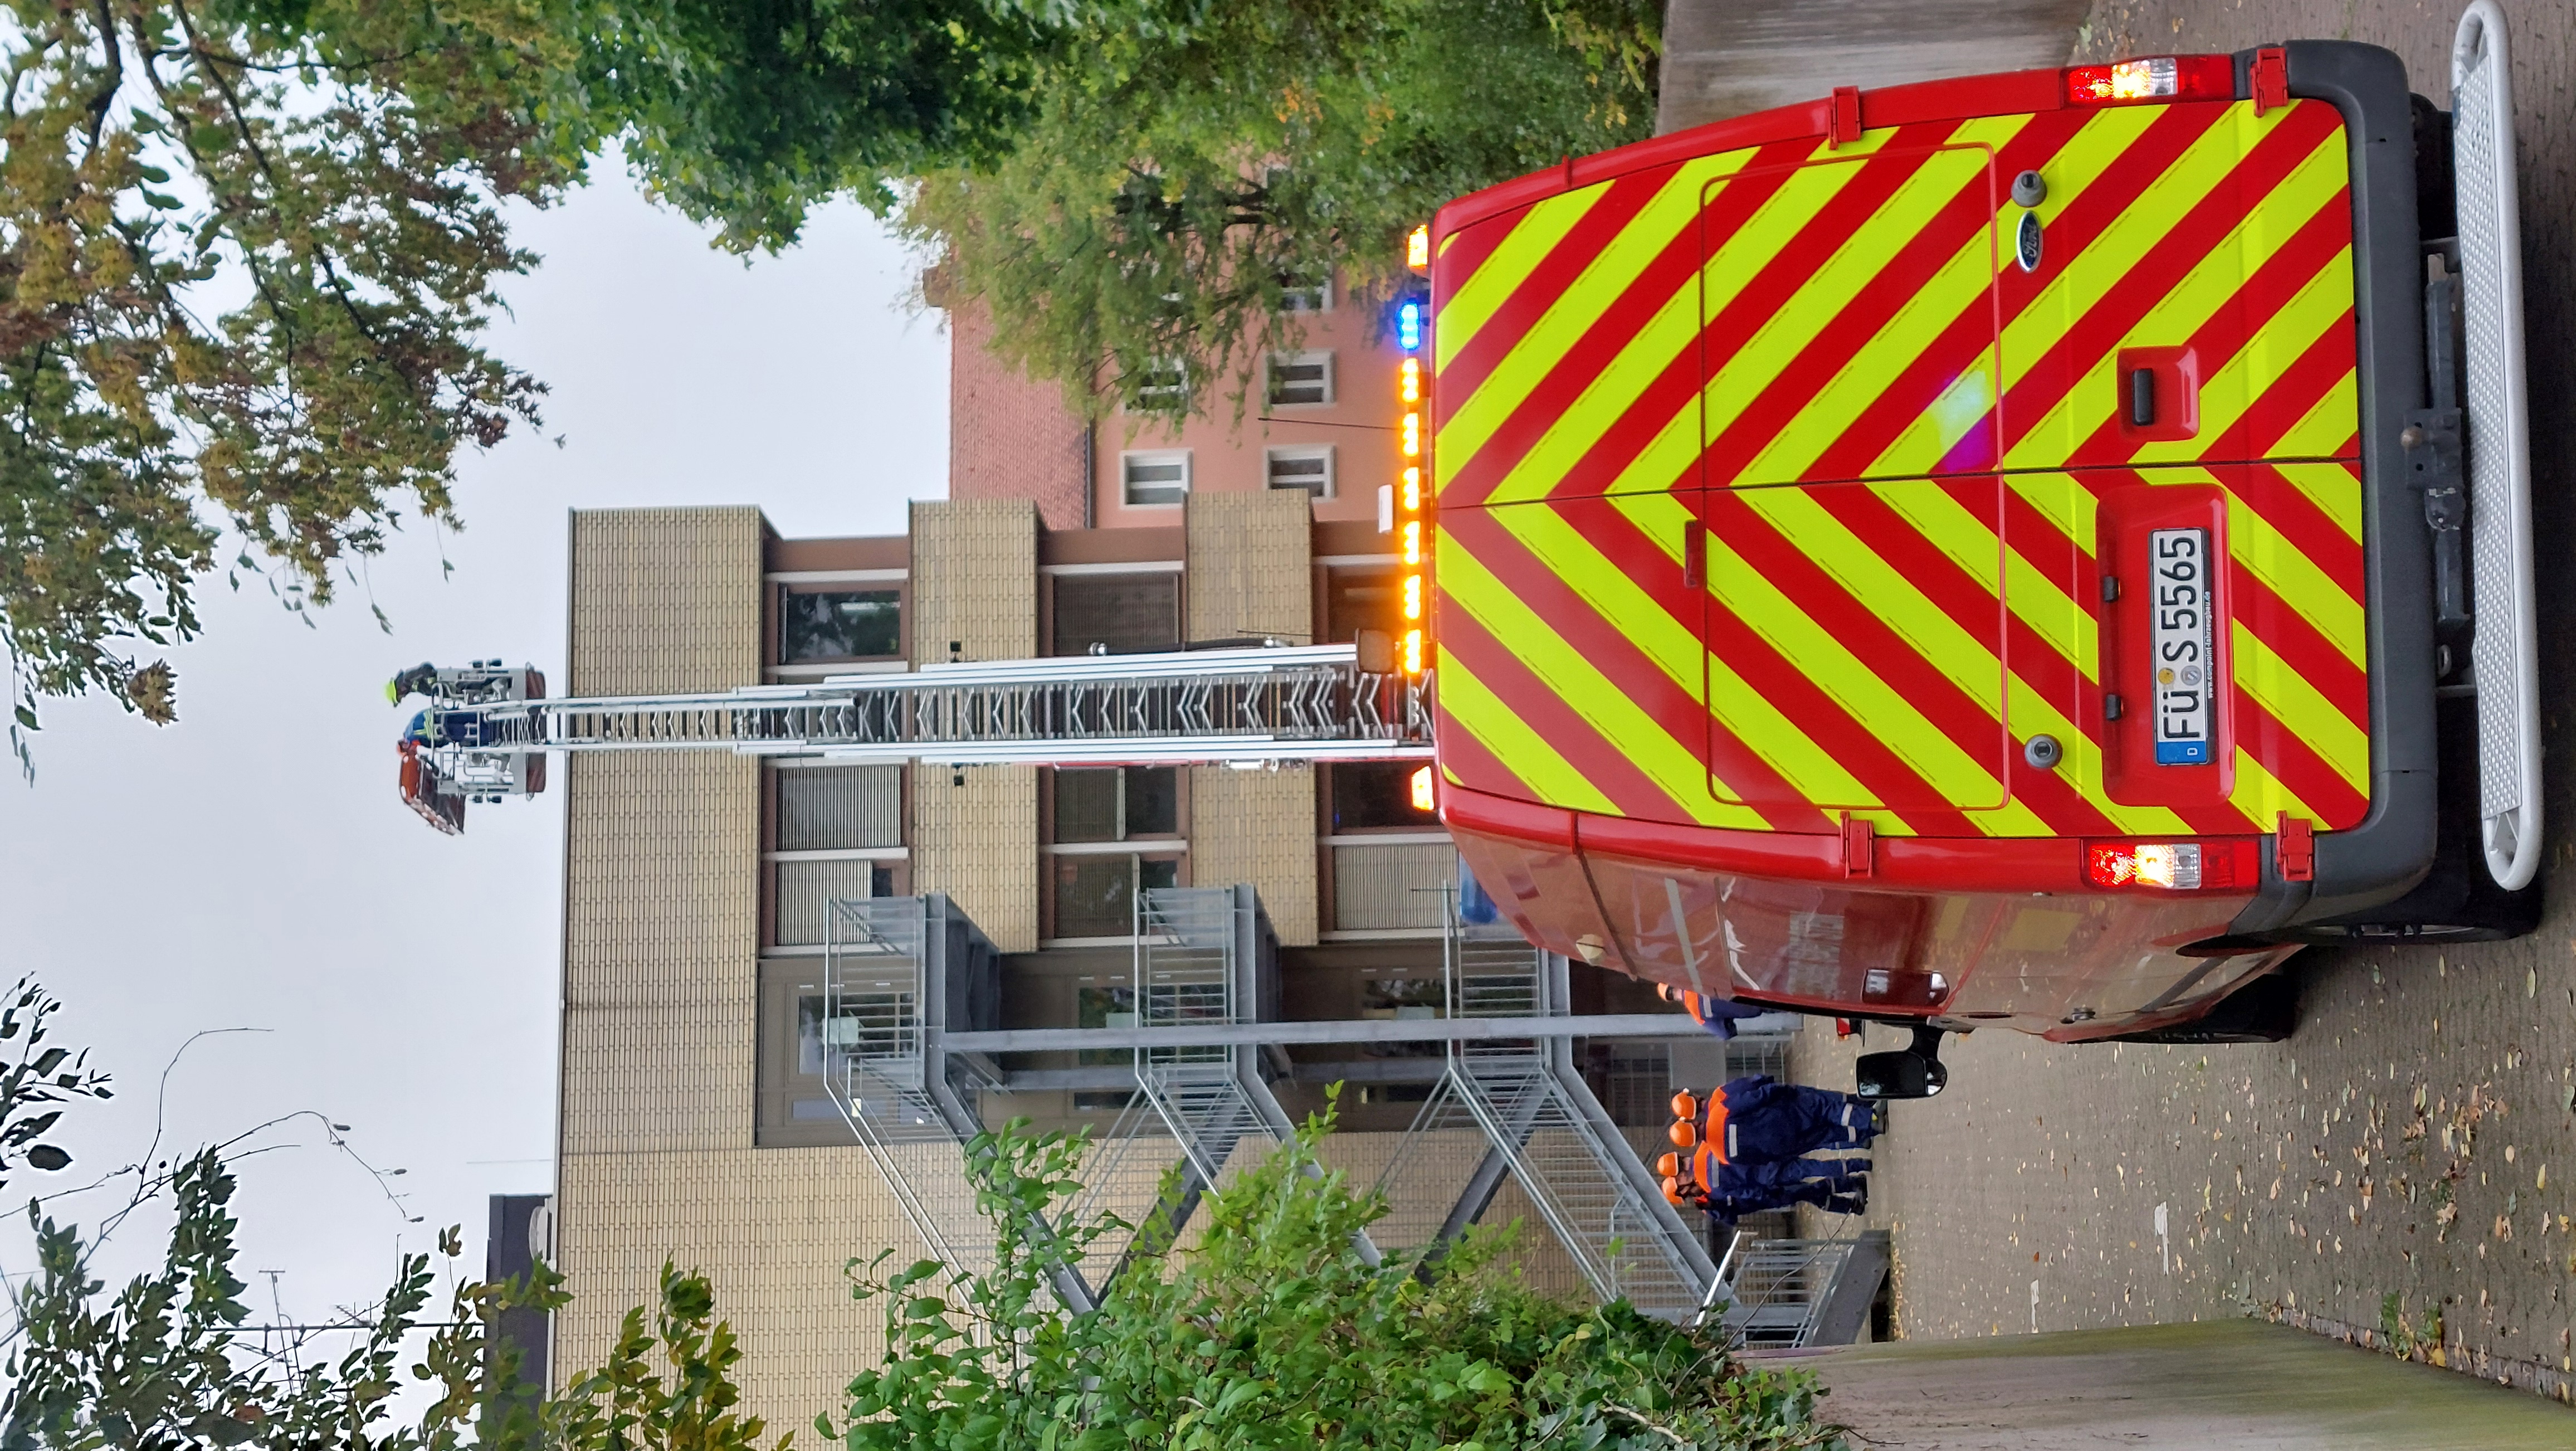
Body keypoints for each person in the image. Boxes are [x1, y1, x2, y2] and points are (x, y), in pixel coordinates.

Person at [1667, 1075, 1878, 1168]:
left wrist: (1785, 1153)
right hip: (1783, 1115)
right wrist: (1781, 1090)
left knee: (1826, 1135)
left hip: (1784, 1145)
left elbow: (1759, 1160)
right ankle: (1871, 1119)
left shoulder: (1723, 1156)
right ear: (1692, 1123)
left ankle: (1868, 1131)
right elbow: (1755, 1097)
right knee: (1824, 1107)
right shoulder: (1719, 1112)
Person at [1657, 1149, 1868, 1220]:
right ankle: (1852, 1195)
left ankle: (1852, 1197)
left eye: (1681, 1175)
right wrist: (1716, 1207)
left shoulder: (1705, 1169)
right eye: (1681, 1180)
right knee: (1808, 1191)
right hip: (1767, 1197)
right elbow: (1732, 1218)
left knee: (1808, 1190)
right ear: (1684, 1193)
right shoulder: (1708, 1203)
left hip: (1764, 1182)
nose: (1685, 1175)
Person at [1655, 982, 1770, 1040]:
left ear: (1672, 1000)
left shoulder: (1697, 1014)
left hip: (1759, 1006)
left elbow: (1725, 1034)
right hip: (1755, 984)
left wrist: (1728, 1014)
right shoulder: (1697, 979)